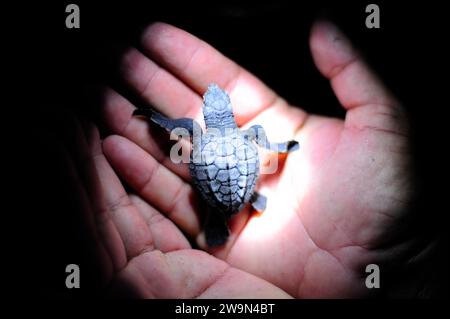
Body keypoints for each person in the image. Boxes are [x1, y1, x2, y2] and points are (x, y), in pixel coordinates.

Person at [68, 21, 418, 298]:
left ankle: (218, 217)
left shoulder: (196, 129)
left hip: (214, 184)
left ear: (208, 115)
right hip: (245, 177)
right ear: (228, 113)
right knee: (244, 173)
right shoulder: (246, 133)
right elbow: (261, 141)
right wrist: (281, 148)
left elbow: (176, 126)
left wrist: (152, 116)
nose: (210, 101)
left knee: (214, 202)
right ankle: (249, 199)